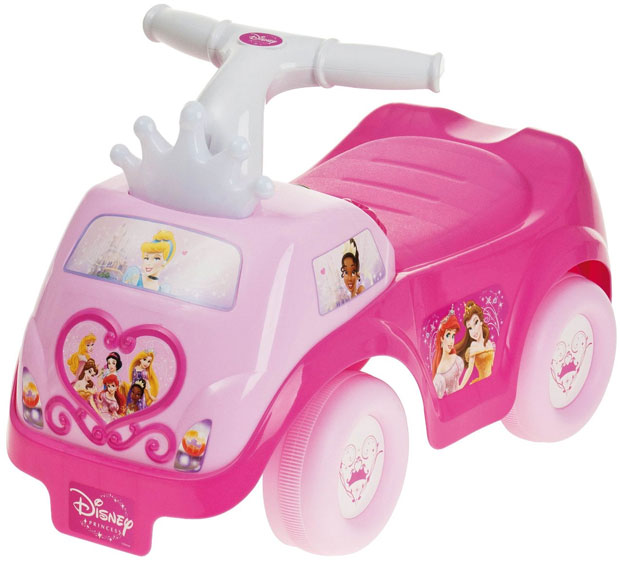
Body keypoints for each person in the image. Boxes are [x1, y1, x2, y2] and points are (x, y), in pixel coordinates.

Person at [455, 301, 495, 388]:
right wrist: (461, 386)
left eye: (476, 322)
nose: (474, 331)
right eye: (470, 328)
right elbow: (469, 369)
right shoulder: (473, 345)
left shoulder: (489, 343)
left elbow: (493, 365)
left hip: (492, 381)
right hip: (482, 383)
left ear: (481, 321)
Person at [431, 308, 465, 399]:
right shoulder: (439, 374)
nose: (451, 341)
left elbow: (458, 385)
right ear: (441, 338)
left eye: (453, 336)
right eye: (448, 335)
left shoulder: (456, 359)